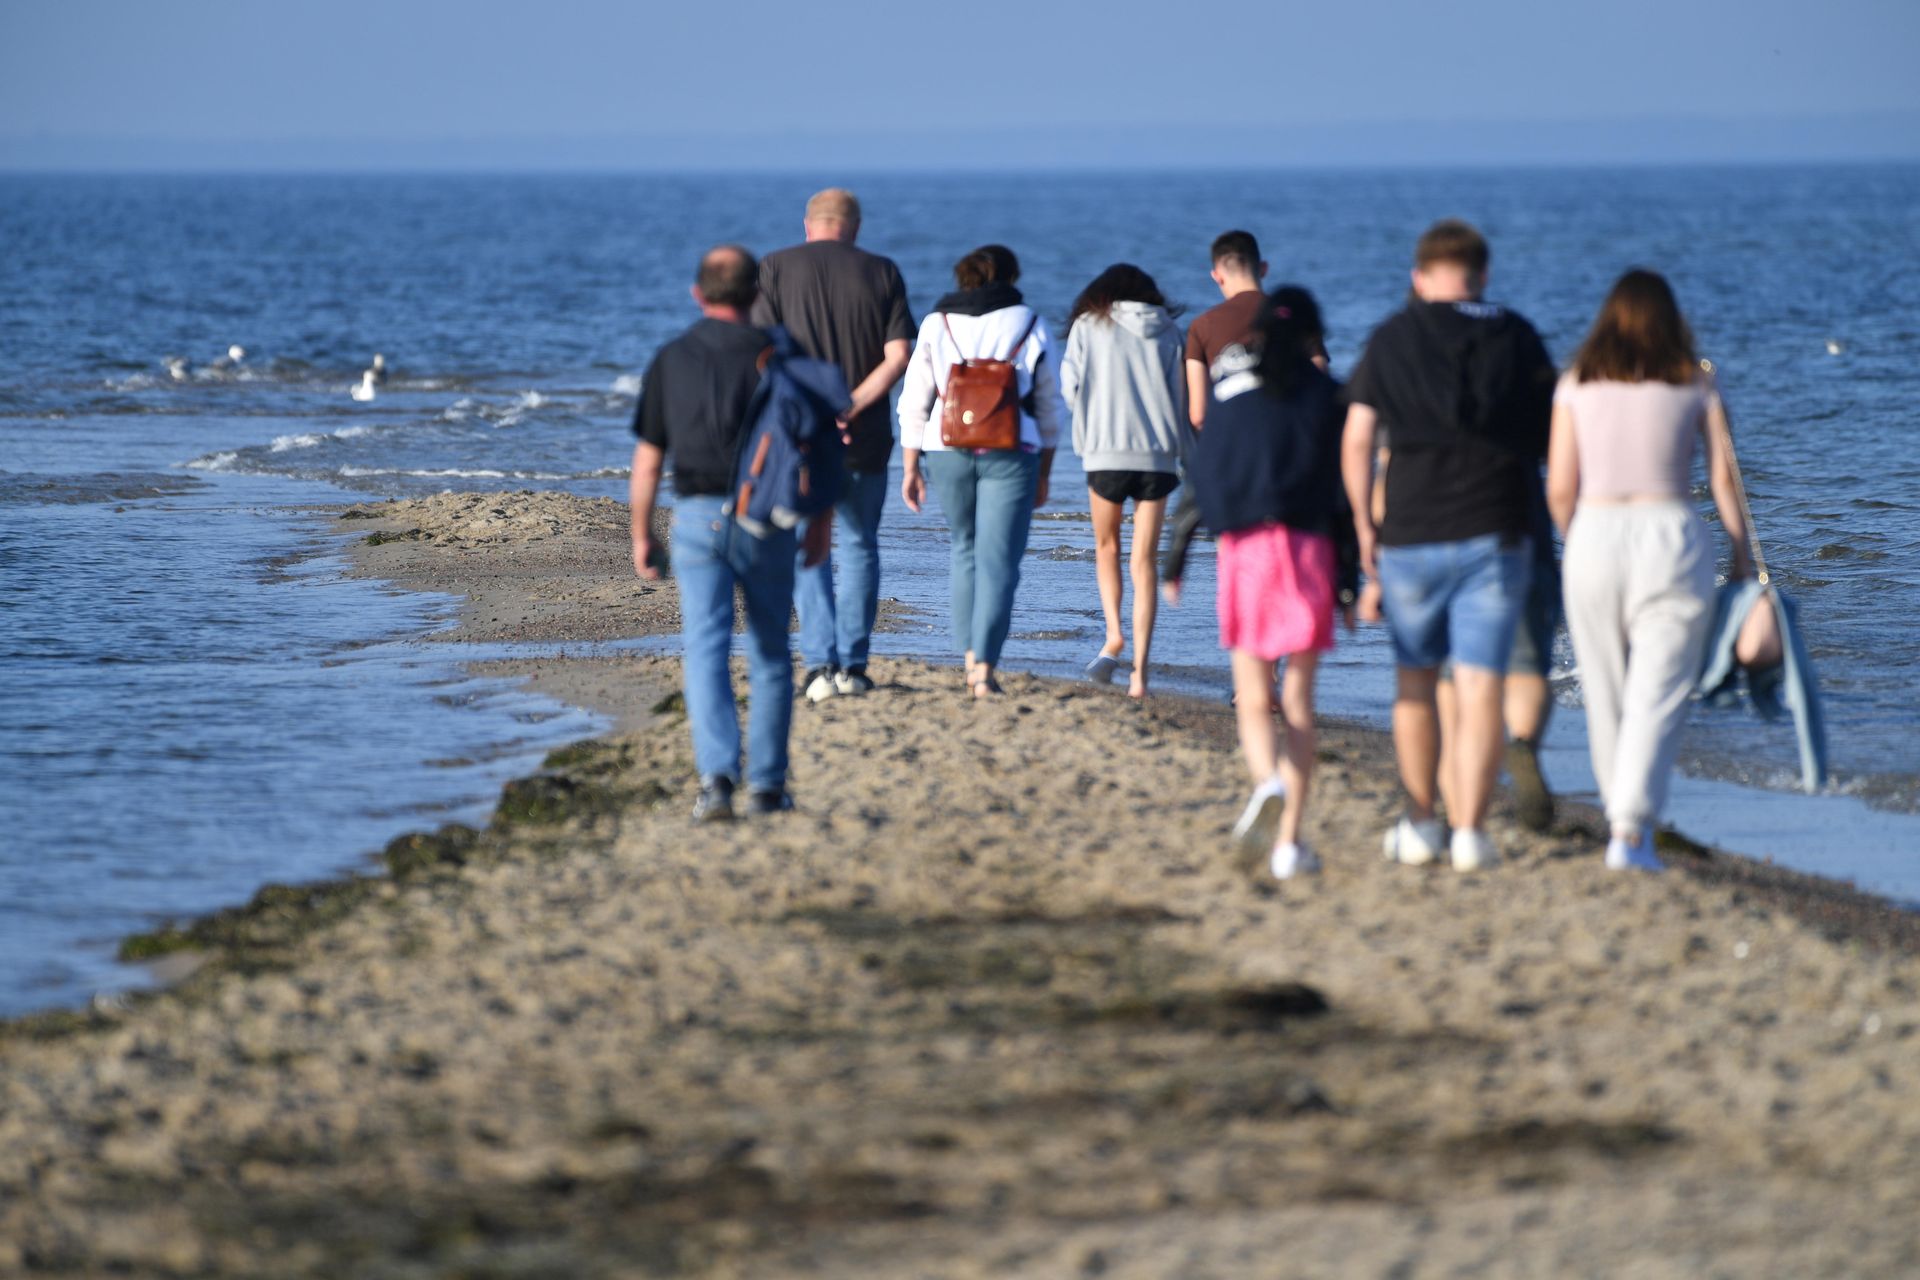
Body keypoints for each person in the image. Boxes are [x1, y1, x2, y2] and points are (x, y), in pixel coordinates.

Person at [1341, 219, 1555, 872]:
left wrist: (1362, 527)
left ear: (1419, 277)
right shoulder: (1515, 333)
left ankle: (1422, 821)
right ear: (1482, 274)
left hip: (1410, 531)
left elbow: (1356, 440)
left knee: (1415, 681)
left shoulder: (1391, 336)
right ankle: (1470, 832)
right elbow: (1552, 434)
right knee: (1483, 686)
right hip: (1495, 527)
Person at [1547, 269, 1752, 871]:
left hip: (1594, 534)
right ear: (1671, 320)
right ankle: (1632, 825)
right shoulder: (1695, 383)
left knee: (1606, 686)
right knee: (1659, 690)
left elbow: (1560, 487)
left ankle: (1624, 826)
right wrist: (1742, 558)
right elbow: (1722, 479)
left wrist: (1577, 539)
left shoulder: (1575, 384)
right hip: (1670, 534)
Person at [630, 245, 830, 821]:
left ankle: (717, 781)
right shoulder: (784, 355)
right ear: (756, 296)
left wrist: (641, 534)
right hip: (767, 516)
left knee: (705, 649)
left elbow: (647, 461)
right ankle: (767, 786)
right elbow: (815, 452)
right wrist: (819, 524)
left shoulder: (672, 357)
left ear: (698, 294)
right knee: (770, 650)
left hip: (694, 516)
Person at [1162, 287, 1355, 878]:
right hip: (1310, 548)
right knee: (1298, 700)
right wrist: (1348, 582)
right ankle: (1291, 843)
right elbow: (1342, 494)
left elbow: (1202, 475)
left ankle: (1266, 781)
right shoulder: (1328, 395)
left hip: (1246, 548)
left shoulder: (1230, 390)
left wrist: (1175, 559)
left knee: (1252, 691)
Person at [751, 188, 916, 702]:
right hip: (864, 436)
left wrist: (812, 408)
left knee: (808, 548)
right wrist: (850, 404)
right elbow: (899, 355)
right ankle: (855, 665)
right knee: (861, 544)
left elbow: (760, 353)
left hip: (799, 438)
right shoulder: (883, 271)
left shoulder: (775, 267)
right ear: (856, 227)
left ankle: (821, 664)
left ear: (809, 224)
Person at [898, 244, 1066, 697]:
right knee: (1000, 562)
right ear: (1011, 277)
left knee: (964, 550)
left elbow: (915, 398)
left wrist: (910, 465)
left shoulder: (937, 323)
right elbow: (1050, 407)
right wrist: (1047, 469)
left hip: (946, 447)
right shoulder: (1029, 321)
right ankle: (984, 670)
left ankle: (969, 656)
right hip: (1013, 449)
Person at [1060, 263, 1190, 698]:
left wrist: (1090, 424)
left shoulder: (1088, 325)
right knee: (1144, 560)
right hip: (1157, 458)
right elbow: (1181, 397)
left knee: (1107, 546)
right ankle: (1140, 674)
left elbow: (1070, 386)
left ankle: (1114, 638)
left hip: (1105, 453)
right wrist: (1186, 456)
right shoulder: (1170, 330)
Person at [1183, 230, 1269, 431]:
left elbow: (1198, 415)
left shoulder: (1202, 325)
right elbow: (1319, 375)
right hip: (1289, 445)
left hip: (1233, 444)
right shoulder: (1293, 315)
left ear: (1217, 276)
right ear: (1263, 269)